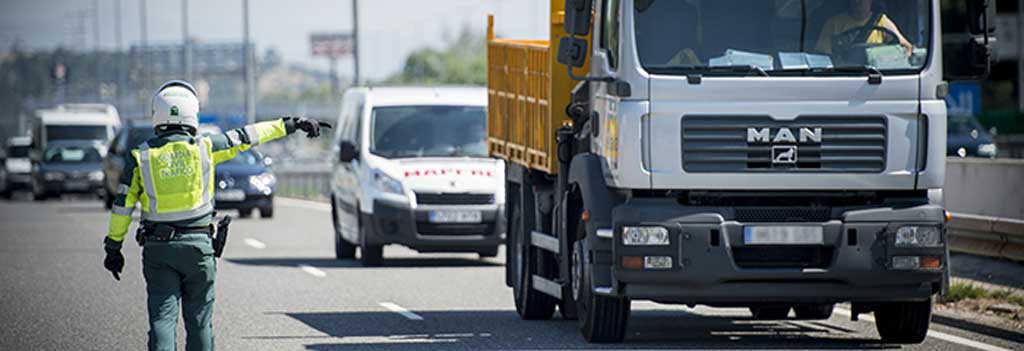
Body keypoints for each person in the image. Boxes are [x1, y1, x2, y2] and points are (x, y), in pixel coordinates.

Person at [101, 80, 329, 351]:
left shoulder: (141, 156)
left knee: (162, 320)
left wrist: (113, 247)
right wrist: (292, 124)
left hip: (158, 250)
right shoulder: (205, 148)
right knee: (199, 323)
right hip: (198, 249)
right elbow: (248, 135)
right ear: (193, 113)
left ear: (157, 114)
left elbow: (122, 206)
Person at [815, 0, 913, 56]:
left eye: (862, 0)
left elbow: (907, 47)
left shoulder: (881, 21)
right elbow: (822, 56)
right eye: (855, 0)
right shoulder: (833, 23)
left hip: (876, 78)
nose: (858, 3)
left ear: (870, 1)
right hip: (843, 76)